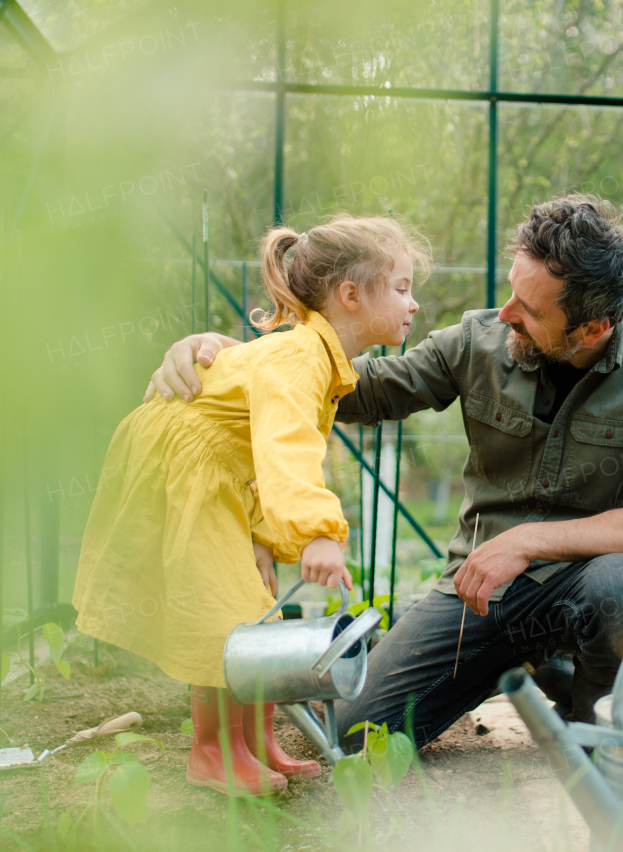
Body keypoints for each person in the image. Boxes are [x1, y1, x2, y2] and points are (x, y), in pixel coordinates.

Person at [146, 194, 623, 752]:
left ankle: (596, 718)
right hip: (480, 592)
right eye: (512, 291)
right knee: (353, 733)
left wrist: (526, 540)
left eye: (531, 310)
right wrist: (230, 360)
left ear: (592, 329)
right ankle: (514, 662)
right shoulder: (477, 340)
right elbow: (351, 389)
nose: (506, 313)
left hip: (585, 582)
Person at [73, 214, 428, 793]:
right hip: (185, 463)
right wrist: (316, 531)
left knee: (255, 603)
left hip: (216, 467)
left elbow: (263, 452)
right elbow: (283, 450)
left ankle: (255, 742)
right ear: (351, 295)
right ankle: (213, 753)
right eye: (403, 288)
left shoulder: (317, 357)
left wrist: (263, 538)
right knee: (223, 614)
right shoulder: (301, 357)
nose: (413, 304)